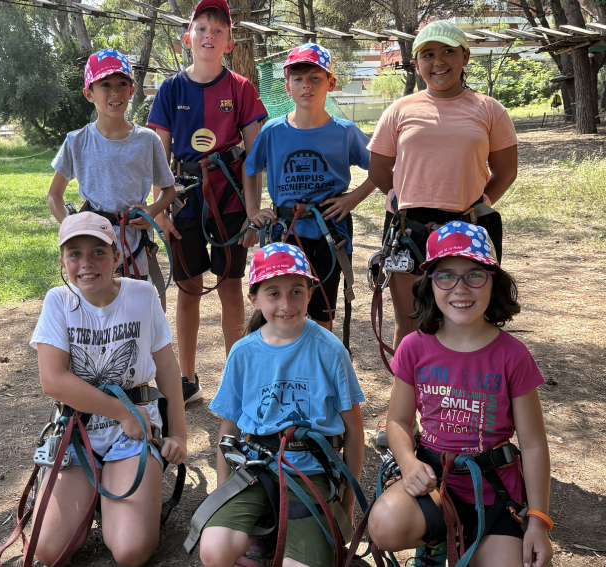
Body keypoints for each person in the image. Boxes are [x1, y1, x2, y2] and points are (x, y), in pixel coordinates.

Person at [366, 222, 553, 567]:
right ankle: (439, 535)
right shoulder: (414, 347)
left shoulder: (513, 355)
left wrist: (539, 521)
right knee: (384, 524)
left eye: (474, 275)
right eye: (446, 276)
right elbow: (398, 421)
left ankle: (472, 536)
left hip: (495, 491)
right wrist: (408, 464)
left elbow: (533, 444)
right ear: (430, 285)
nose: (460, 288)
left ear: (493, 281)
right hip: (434, 484)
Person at [29, 212, 189, 567]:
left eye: (98, 252)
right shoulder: (58, 301)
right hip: (77, 430)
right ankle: (93, 492)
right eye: (75, 254)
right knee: (50, 551)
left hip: (134, 431)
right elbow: (52, 380)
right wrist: (120, 412)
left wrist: (178, 433)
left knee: (131, 552)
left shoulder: (142, 295)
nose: (86, 263)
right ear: (62, 261)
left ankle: (114, 493)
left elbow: (165, 366)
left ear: (117, 256)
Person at [197, 242, 365, 567]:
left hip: (312, 471)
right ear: (254, 299)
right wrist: (221, 491)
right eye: (273, 293)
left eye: (296, 292)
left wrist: (346, 503)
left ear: (311, 291)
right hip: (256, 467)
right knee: (214, 550)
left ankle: (290, 532)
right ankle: (264, 529)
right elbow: (228, 429)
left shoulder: (330, 351)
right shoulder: (243, 353)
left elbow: (354, 430)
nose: (286, 304)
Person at [367, 20, 517, 350]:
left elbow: (505, 170)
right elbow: (379, 170)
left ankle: (451, 397)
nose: (439, 62)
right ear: (417, 62)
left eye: (448, 52)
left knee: (463, 321)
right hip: (409, 227)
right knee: (410, 323)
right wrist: (403, 199)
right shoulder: (400, 110)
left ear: (464, 57)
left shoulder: (489, 110)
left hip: (467, 226)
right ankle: (404, 400)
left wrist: (479, 203)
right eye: (429, 54)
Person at [146, 0, 268, 403]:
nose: (208, 37)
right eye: (201, 29)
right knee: (189, 288)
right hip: (184, 202)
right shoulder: (170, 89)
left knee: (232, 288)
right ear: (188, 38)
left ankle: (235, 379)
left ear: (229, 42)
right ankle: (187, 378)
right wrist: (159, 211)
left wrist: (253, 211)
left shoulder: (241, 88)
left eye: (218, 31)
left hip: (231, 201)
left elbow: (254, 157)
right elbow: (157, 157)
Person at [245, 43, 377, 331]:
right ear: (287, 86)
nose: (307, 85)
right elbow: (250, 169)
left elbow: (382, 169)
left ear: (331, 83)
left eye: (315, 78)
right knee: (284, 306)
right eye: (298, 79)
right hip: (285, 230)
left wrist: (352, 199)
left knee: (322, 310)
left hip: (330, 231)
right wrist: (252, 209)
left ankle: (318, 368)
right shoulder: (273, 132)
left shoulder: (345, 132)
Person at [48, 48, 176, 280]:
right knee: (93, 308)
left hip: (135, 244)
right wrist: (72, 228)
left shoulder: (148, 140)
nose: (115, 92)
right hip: (93, 244)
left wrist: (152, 210)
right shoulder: (76, 141)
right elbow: (54, 195)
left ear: (132, 91)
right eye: (105, 85)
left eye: (122, 84)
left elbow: (168, 190)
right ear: (89, 94)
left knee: (133, 307)